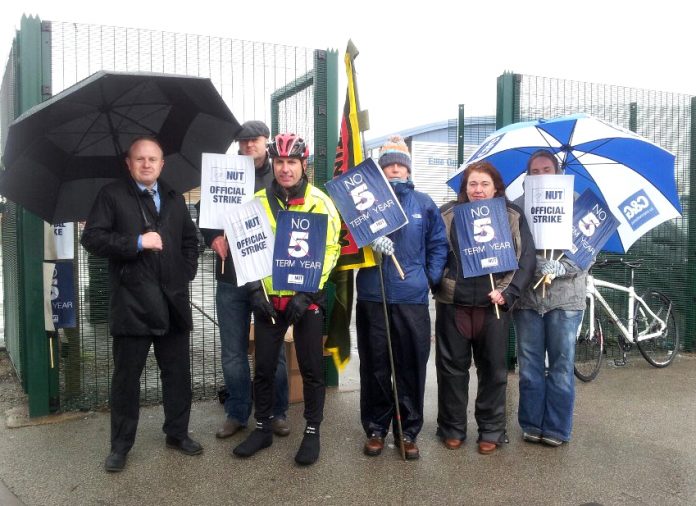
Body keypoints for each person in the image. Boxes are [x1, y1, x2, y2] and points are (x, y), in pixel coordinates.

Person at [81, 136, 201, 472]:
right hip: (133, 304)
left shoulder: (176, 199)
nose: (146, 164)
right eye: (140, 159)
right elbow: (91, 238)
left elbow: (191, 242)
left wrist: (184, 272)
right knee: (126, 379)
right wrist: (136, 242)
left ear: (162, 163)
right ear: (128, 163)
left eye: (153, 159)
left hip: (173, 302)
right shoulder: (112, 195)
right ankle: (120, 446)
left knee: (177, 374)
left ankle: (177, 433)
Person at [232, 133, 340, 466]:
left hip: (304, 303)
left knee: (311, 371)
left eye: (292, 162)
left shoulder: (320, 202)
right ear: (272, 163)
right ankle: (262, 427)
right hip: (269, 302)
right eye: (279, 162)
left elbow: (331, 250)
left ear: (303, 164)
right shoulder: (257, 202)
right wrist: (252, 291)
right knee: (263, 369)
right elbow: (244, 247)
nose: (285, 169)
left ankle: (312, 432)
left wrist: (308, 292)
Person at [356, 135, 448, 460]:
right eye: (388, 164)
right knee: (376, 365)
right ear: (380, 170)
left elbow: (439, 244)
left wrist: (428, 277)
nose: (395, 169)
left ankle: (408, 431)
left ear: (408, 169)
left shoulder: (423, 203)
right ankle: (376, 429)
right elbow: (347, 242)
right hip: (372, 295)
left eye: (400, 164)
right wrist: (367, 242)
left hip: (411, 298)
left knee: (410, 366)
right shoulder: (363, 204)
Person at [433, 160, 535, 455]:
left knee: (493, 371)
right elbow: (434, 253)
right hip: (454, 304)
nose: (478, 190)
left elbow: (525, 259)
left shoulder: (512, 215)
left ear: (496, 187)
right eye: (472, 184)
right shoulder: (448, 214)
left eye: (484, 184)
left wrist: (507, 292)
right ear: (465, 187)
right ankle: (452, 427)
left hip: (494, 307)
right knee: (451, 370)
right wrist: (437, 281)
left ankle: (491, 429)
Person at [199, 120, 290, 440]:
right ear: (237, 144)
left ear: (266, 141)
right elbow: (204, 214)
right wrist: (212, 239)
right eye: (243, 140)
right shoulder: (223, 171)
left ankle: (278, 412)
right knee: (233, 351)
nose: (249, 145)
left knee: (274, 350)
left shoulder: (279, 175)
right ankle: (237, 412)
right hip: (230, 277)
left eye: (255, 140)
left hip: (267, 279)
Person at [512, 149, 587, 447]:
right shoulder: (517, 208)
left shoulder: (577, 204)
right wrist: (529, 267)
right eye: (535, 170)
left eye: (547, 169)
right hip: (528, 300)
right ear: (528, 176)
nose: (541, 174)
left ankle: (556, 428)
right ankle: (531, 423)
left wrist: (563, 267)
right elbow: (509, 250)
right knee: (529, 366)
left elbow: (587, 251)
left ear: (557, 172)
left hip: (566, 300)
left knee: (561, 366)